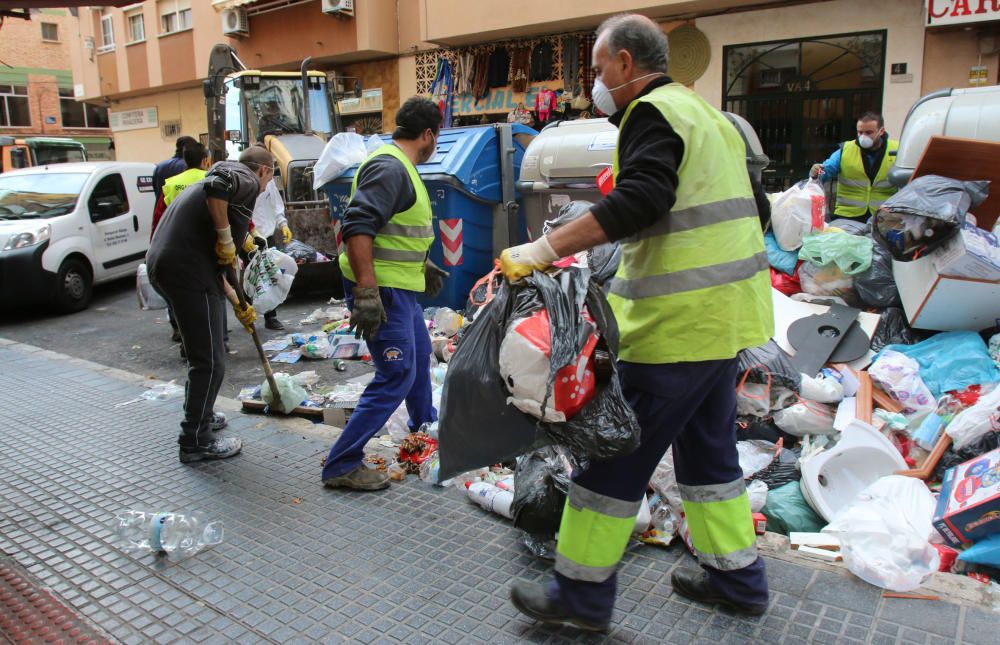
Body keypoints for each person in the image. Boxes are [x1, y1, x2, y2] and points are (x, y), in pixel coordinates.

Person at [498, 14, 774, 630]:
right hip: (728, 317)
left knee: (613, 455)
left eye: (599, 70)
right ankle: (739, 580)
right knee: (709, 458)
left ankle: (579, 597)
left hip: (675, 326)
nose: (598, 83)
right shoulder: (711, 118)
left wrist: (544, 249)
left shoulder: (652, 114)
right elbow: (751, 205)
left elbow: (640, 201)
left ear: (626, 63)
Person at [321, 97, 448, 491]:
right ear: (427, 134)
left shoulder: (400, 166)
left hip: (399, 287)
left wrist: (420, 264)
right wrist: (367, 292)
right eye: (436, 136)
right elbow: (358, 227)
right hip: (383, 289)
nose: (435, 144)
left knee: (420, 357)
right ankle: (341, 463)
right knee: (396, 373)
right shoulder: (390, 166)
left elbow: (394, 229)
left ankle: (423, 429)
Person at [147, 146, 274, 463]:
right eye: (270, 177)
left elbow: (219, 263)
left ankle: (202, 415)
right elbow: (217, 184)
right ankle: (194, 440)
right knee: (210, 361)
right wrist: (226, 237)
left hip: (173, 267)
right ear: (264, 171)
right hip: (186, 271)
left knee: (206, 351)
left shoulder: (228, 192)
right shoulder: (244, 177)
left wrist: (237, 302)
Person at [810, 112, 899, 222]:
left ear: (881, 131)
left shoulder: (898, 150)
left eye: (869, 132)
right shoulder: (846, 150)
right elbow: (826, 171)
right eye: (860, 132)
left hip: (884, 218)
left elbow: (908, 182)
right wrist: (816, 172)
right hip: (848, 216)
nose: (863, 137)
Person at [250, 175, 293, 330]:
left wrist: (283, 225)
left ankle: (271, 316)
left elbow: (277, 205)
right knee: (250, 277)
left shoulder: (269, 183)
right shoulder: (243, 182)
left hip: (266, 236)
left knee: (271, 275)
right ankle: (247, 311)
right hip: (248, 236)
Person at [152, 135, 197, 203]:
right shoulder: (189, 166)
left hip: (162, 211)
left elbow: (156, 189)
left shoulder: (159, 166)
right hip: (180, 210)